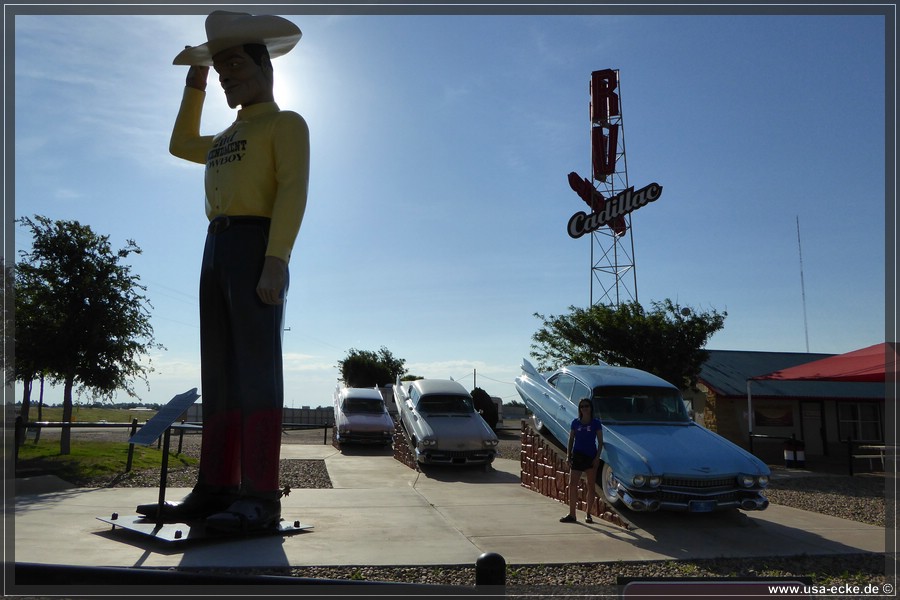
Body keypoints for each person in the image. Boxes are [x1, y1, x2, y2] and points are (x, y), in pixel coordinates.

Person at [136, 10, 310, 533]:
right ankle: (216, 485)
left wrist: (276, 259)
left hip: (256, 243)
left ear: (264, 66)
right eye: (218, 69)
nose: (225, 75)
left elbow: (292, 191)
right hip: (216, 246)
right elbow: (178, 143)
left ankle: (260, 495)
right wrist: (194, 82)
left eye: (234, 64)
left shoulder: (286, 124)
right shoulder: (221, 139)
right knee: (220, 372)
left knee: (257, 372)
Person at [560, 398, 604, 524]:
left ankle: (588, 514)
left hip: (591, 457)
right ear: (579, 409)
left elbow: (600, 442)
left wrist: (597, 458)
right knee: (572, 485)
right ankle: (572, 514)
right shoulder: (575, 423)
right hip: (577, 456)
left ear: (591, 408)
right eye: (582, 406)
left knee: (590, 486)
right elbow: (571, 439)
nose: (584, 408)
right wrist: (568, 455)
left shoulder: (596, 423)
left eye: (587, 406)